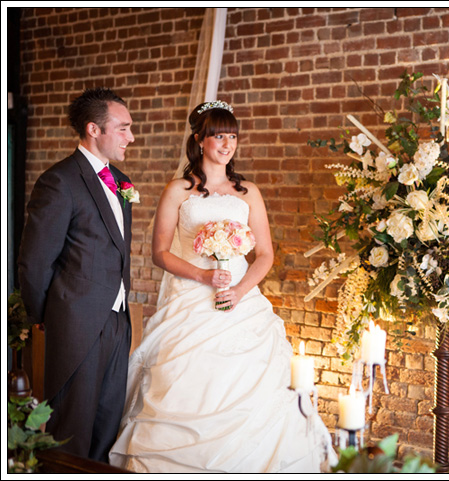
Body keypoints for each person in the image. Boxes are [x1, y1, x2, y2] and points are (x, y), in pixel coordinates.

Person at [108, 100, 334, 473]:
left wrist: (240, 290)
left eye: (232, 136)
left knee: (255, 388)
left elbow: (264, 254)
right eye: (217, 136)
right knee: (184, 382)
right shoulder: (179, 190)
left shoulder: (248, 193)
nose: (226, 144)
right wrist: (202, 277)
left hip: (240, 302)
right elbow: (160, 253)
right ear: (199, 141)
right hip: (190, 298)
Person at [18, 87, 136, 462]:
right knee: (71, 433)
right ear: (93, 129)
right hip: (77, 324)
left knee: (105, 428)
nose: (131, 137)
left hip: (118, 321)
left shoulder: (120, 180)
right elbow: (34, 262)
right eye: (123, 128)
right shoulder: (59, 181)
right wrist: (47, 318)